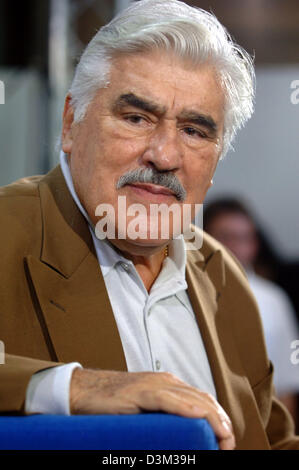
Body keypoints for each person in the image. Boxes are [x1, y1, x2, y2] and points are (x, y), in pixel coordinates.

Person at [0, 0, 298, 450]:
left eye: (195, 131)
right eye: (136, 118)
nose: (164, 155)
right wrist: (77, 388)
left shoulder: (225, 278)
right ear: (70, 124)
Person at [203, 197, 299, 423]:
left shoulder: (274, 299)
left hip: (260, 422)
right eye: (225, 237)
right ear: (204, 237)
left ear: (254, 244)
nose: (234, 246)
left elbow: (287, 379)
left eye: (243, 238)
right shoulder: (187, 290)